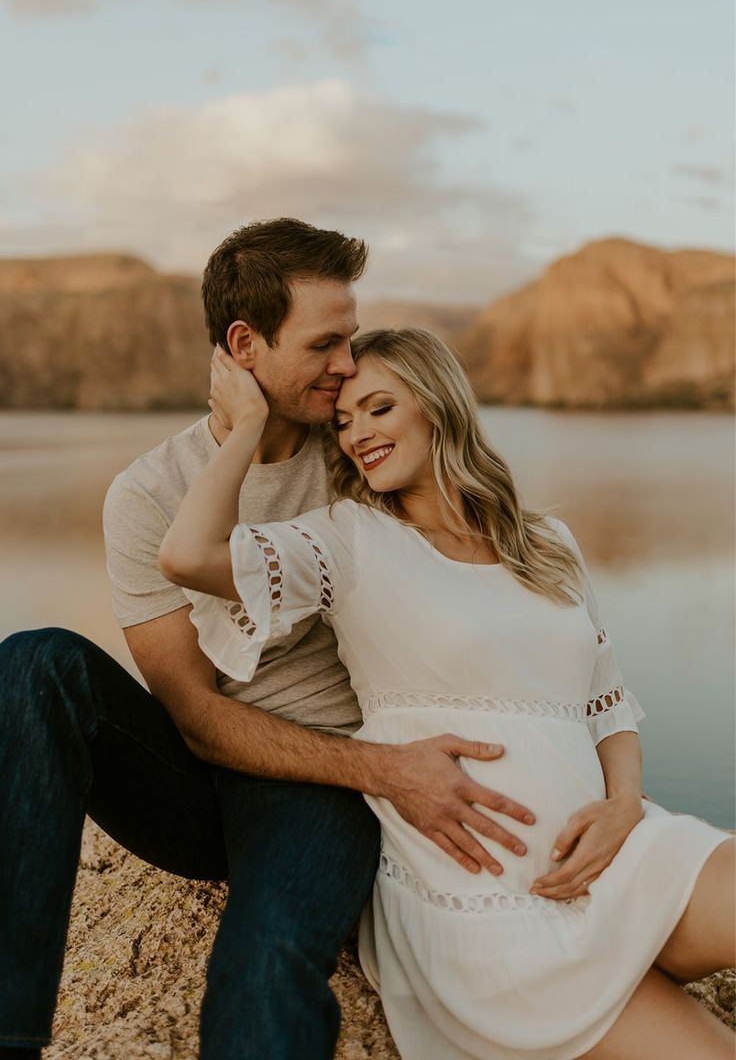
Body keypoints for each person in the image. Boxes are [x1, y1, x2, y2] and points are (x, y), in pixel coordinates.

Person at [0, 220, 537, 1060]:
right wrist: (244, 436)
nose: (348, 365)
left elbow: (489, 581)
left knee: (262, 963)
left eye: (351, 338)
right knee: (34, 664)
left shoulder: (364, 451)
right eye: (325, 343)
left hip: (320, 790)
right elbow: (195, 717)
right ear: (244, 345)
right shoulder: (147, 495)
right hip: (202, 783)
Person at [159, 327, 735, 1060]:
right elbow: (187, 556)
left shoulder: (548, 541)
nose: (358, 433)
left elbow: (607, 701)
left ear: (436, 404)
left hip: (620, 856)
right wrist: (243, 427)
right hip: (485, 905)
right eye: (343, 422)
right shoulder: (348, 540)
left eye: (378, 408)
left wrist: (625, 805)